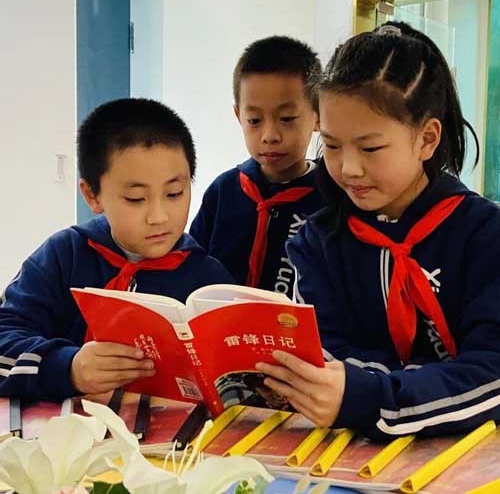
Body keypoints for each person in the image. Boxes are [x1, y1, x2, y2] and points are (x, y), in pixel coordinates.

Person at [256, 22, 500, 439]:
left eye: (370, 148)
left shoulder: (485, 236)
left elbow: (491, 372)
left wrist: (373, 396)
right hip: (349, 455)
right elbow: (326, 356)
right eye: (332, 146)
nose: (349, 168)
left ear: (426, 139)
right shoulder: (317, 242)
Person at [0, 98, 234, 401]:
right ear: (92, 195)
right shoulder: (64, 256)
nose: (159, 216)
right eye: (136, 199)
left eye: (175, 193)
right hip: (66, 428)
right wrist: (69, 367)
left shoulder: (209, 278)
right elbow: (6, 334)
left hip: (176, 431)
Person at [189, 36, 324, 298]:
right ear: (238, 115)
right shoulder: (224, 191)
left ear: (318, 115)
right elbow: (192, 265)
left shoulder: (331, 198)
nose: (269, 135)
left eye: (287, 118)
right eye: (254, 120)